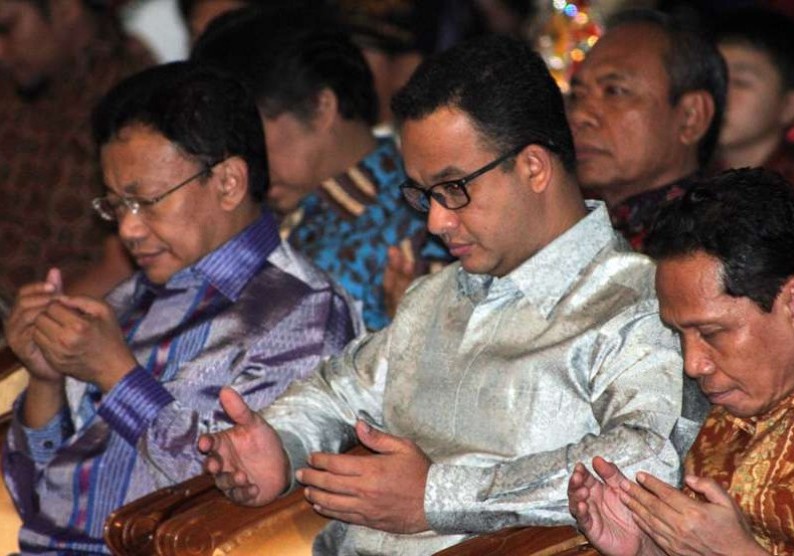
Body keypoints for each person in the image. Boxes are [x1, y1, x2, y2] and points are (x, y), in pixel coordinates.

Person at [198, 35, 691, 554]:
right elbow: (340, 389)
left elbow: (644, 460)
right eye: (424, 194)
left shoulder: (637, 302)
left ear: (534, 168)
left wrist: (436, 495)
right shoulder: (434, 296)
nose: (436, 221)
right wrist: (279, 444)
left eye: (454, 188)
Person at [2, 61, 358, 554]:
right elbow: (35, 498)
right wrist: (44, 379)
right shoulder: (129, 299)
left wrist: (118, 377)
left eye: (145, 201)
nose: (127, 230)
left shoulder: (302, 314)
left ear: (229, 182)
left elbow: (239, 499)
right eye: (115, 205)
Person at [568, 167, 794, 555]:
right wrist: (646, 548)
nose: (693, 365)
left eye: (711, 333)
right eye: (678, 334)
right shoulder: (722, 422)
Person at [192, 10, 445, 331]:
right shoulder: (242, 216)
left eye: (251, 136)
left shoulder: (422, 220)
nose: (241, 162)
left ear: (321, 106)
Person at [0, 0, 153, 311]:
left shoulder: (134, 95)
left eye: (7, 28)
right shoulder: (16, 89)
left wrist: (26, 335)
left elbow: (124, 264)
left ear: (65, 9)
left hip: (71, 328)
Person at [567, 9, 726, 251]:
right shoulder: (573, 223)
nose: (579, 115)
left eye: (614, 91)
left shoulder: (713, 248)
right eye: (577, 95)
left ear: (691, 117)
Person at [712, 7, 794, 252]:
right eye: (716, 77)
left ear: (790, 106)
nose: (721, 93)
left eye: (742, 83)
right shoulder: (693, 171)